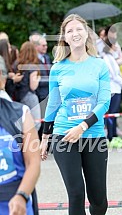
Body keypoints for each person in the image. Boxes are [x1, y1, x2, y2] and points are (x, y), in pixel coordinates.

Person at [40, 14, 111, 215]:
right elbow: (53, 105)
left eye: (78, 29)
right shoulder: (58, 68)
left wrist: (82, 127)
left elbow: (104, 103)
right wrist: (45, 138)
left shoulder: (99, 65)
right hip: (64, 135)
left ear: (86, 33)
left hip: (93, 135)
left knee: (98, 199)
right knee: (76, 194)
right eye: (69, 30)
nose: (75, 33)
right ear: (64, 37)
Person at [0, 68, 40, 214]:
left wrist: (22, 196)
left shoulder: (20, 113)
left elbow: (33, 162)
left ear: (2, 80)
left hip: (15, 201)